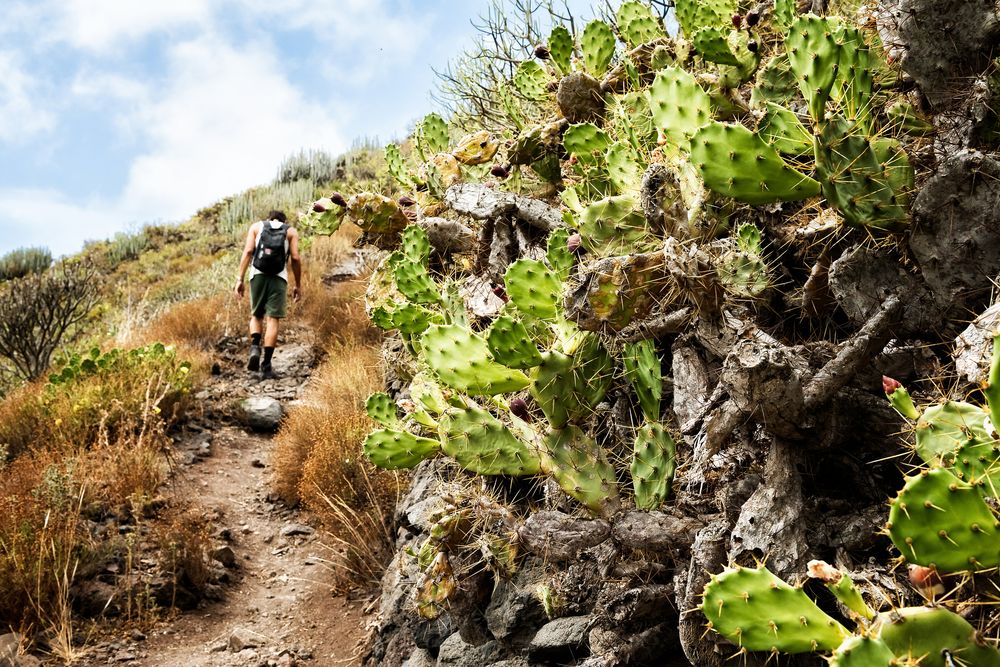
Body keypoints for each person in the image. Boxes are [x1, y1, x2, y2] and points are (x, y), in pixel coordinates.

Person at [234, 210, 302, 379]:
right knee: (273, 320)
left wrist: (239, 279)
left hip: (257, 275)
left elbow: (248, 251)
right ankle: (266, 365)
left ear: (268, 218)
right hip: (279, 278)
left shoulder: (256, 227)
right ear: (284, 220)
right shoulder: (291, 231)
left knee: (256, 315)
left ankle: (255, 347)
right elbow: (295, 258)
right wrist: (298, 285)